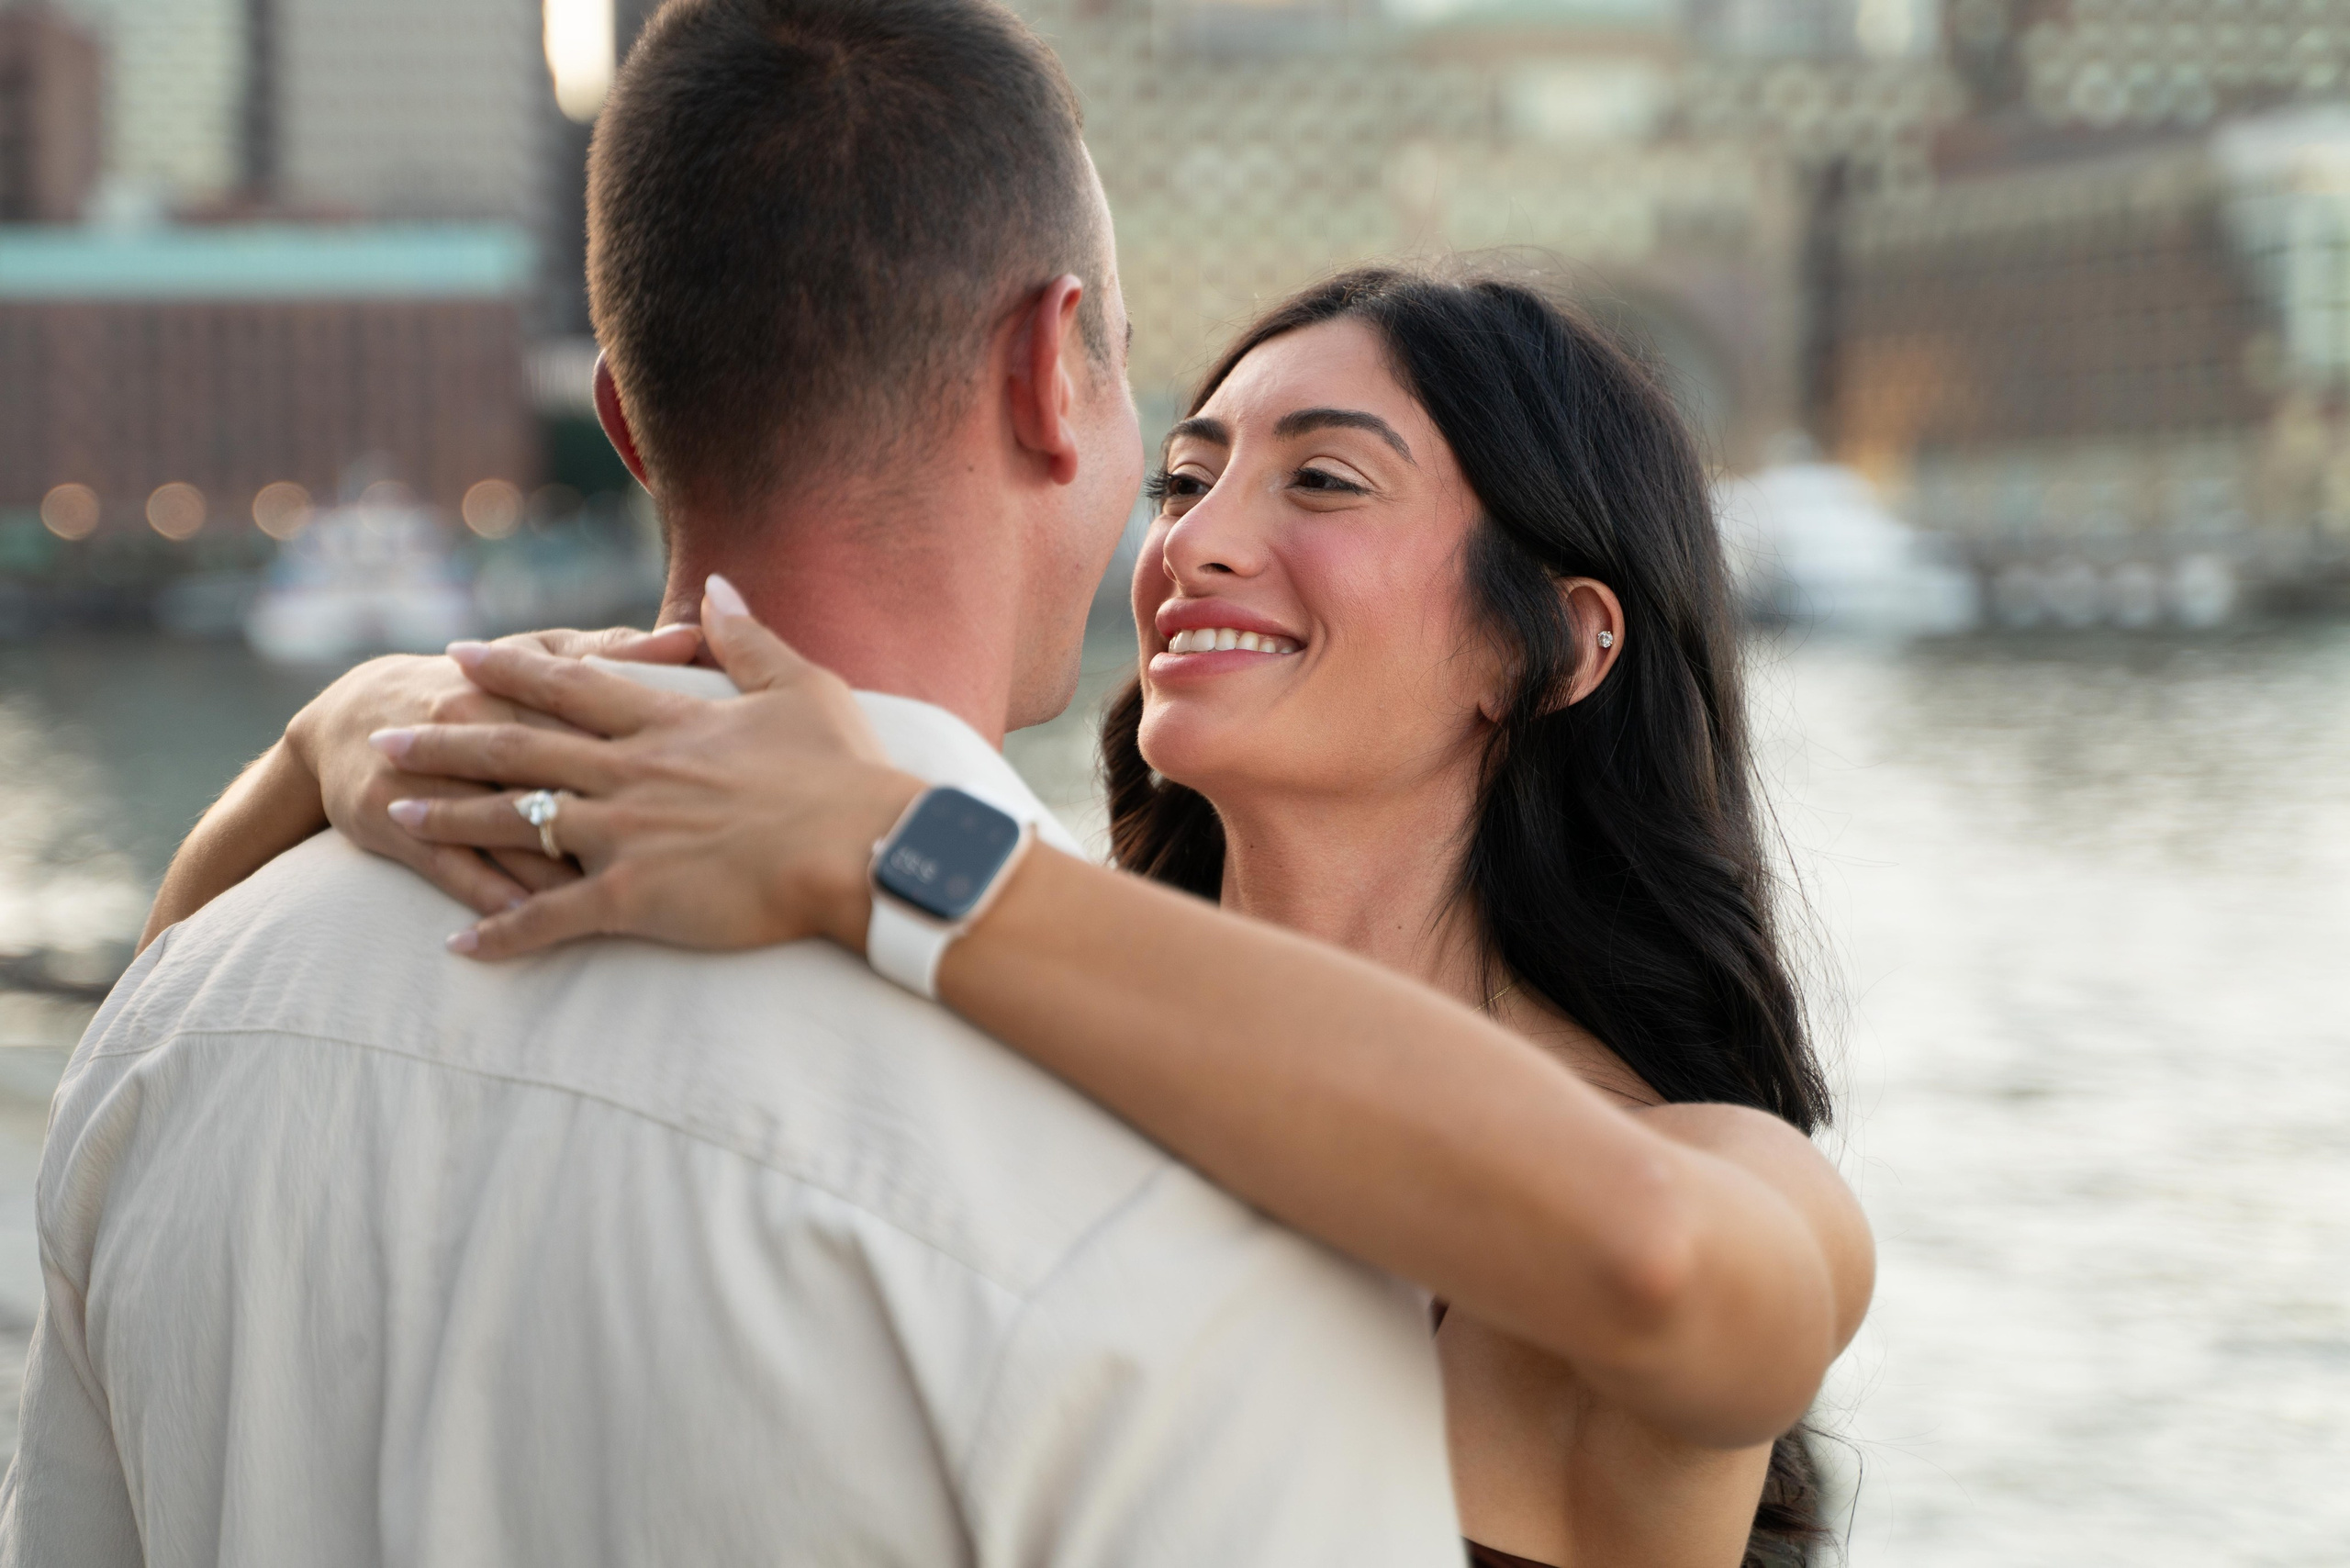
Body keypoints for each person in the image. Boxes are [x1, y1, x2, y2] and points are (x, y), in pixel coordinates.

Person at [0, 6, 1472, 1563]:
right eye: (1134, 390)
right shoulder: (1221, 1198)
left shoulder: (187, 1015)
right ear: (1050, 370)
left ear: (626, 426)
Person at [136, 268, 1877, 1566]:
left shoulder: (1719, 1168)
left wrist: (885, 839)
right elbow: (167, 1026)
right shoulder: (996, 975)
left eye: (1322, 482)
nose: (1196, 538)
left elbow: (1654, 1266)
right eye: (1186, 475)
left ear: (1562, 639)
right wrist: (337, 726)